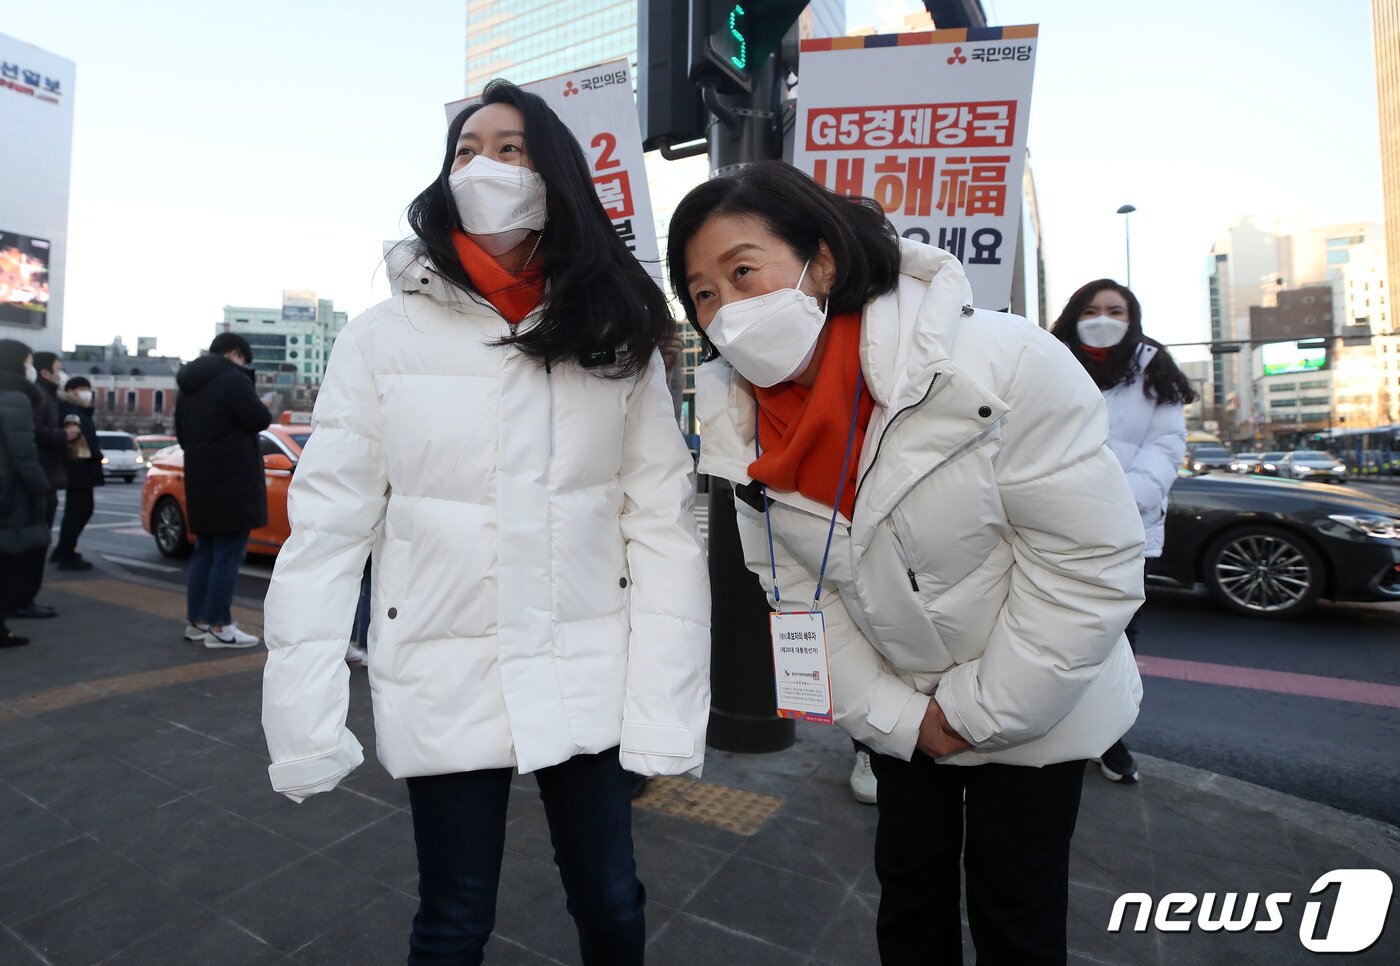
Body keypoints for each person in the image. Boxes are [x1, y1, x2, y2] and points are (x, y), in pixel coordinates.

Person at [260, 80, 710, 966]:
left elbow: (659, 521)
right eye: (467, 150)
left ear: (556, 177)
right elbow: (326, 535)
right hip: (442, 660)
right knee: (454, 916)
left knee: (614, 905)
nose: (484, 166)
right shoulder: (382, 337)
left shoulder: (613, 329)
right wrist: (303, 716)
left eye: (511, 149)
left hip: (587, 663)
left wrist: (664, 706)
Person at [671, 161, 1145, 966]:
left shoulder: (998, 363)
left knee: (1018, 917)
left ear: (821, 261)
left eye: (744, 271)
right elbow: (795, 596)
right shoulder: (738, 428)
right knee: (909, 904)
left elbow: (1086, 563)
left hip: (1037, 706)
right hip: (902, 722)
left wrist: (972, 715)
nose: (725, 310)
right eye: (704, 293)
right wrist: (902, 720)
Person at [1050, 279, 1195, 785]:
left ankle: (1110, 734)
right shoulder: (1047, 356)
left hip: (1130, 525)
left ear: (1132, 318)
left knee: (1118, 633)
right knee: (1053, 626)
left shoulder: (1154, 366)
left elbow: (1167, 443)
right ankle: (1055, 723)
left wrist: (1120, 502)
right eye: (1092, 309)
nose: (1103, 318)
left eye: (1116, 310)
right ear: (1073, 315)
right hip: (1053, 520)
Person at [175, 331, 271, 649]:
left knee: (205, 552)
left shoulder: (188, 386)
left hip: (200, 479)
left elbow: (181, 435)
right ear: (234, 354)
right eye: (244, 360)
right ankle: (220, 625)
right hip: (233, 481)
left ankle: (198, 621)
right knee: (228, 555)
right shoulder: (233, 379)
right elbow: (259, 418)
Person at [12, 351, 77, 619]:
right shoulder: (37, 396)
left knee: (35, 542)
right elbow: (33, 435)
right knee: (34, 543)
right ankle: (23, 599)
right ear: (45, 372)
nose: (61, 374)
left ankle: (24, 598)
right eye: (58, 369)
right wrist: (65, 434)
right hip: (41, 478)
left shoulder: (43, 394)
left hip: (45, 475)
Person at [0, 340, 52, 647]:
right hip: (9, 494)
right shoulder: (17, 399)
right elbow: (23, 453)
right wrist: (39, 487)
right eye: (28, 360)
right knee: (7, 563)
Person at [51, 375, 104, 571]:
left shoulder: (79, 410)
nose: (87, 393)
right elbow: (78, 440)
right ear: (71, 391)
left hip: (80, 467)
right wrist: (96, 455)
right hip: (78, 466)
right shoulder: (71, 411)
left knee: (77, 510)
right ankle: (66, 553)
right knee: (80, 510)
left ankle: (63, 550)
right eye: (82, 389)